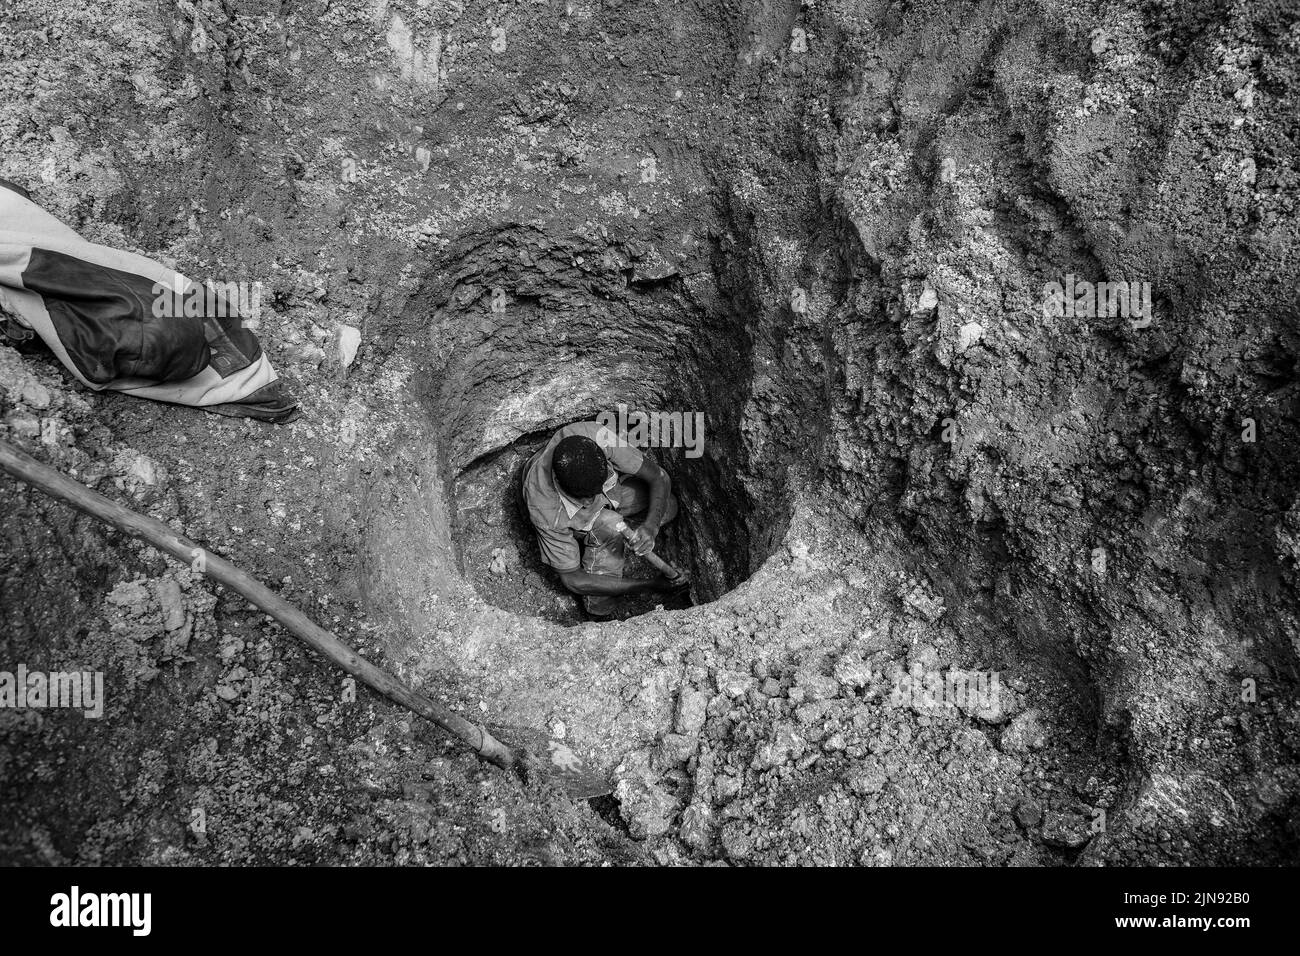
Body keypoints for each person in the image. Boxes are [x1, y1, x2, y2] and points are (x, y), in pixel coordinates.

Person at [522, 420, 687, 617]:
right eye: (586, 498)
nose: (594, 499)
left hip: (610, 495)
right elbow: (574, 580)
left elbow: (658, 476)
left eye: (598, 489)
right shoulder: (545, 510)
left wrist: (650, 527)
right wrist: (650, 585)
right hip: (566, 518)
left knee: (668, 505)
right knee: (602, 604)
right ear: (558, 483)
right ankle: (601, 541)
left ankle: (619, 532)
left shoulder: (592, 436)